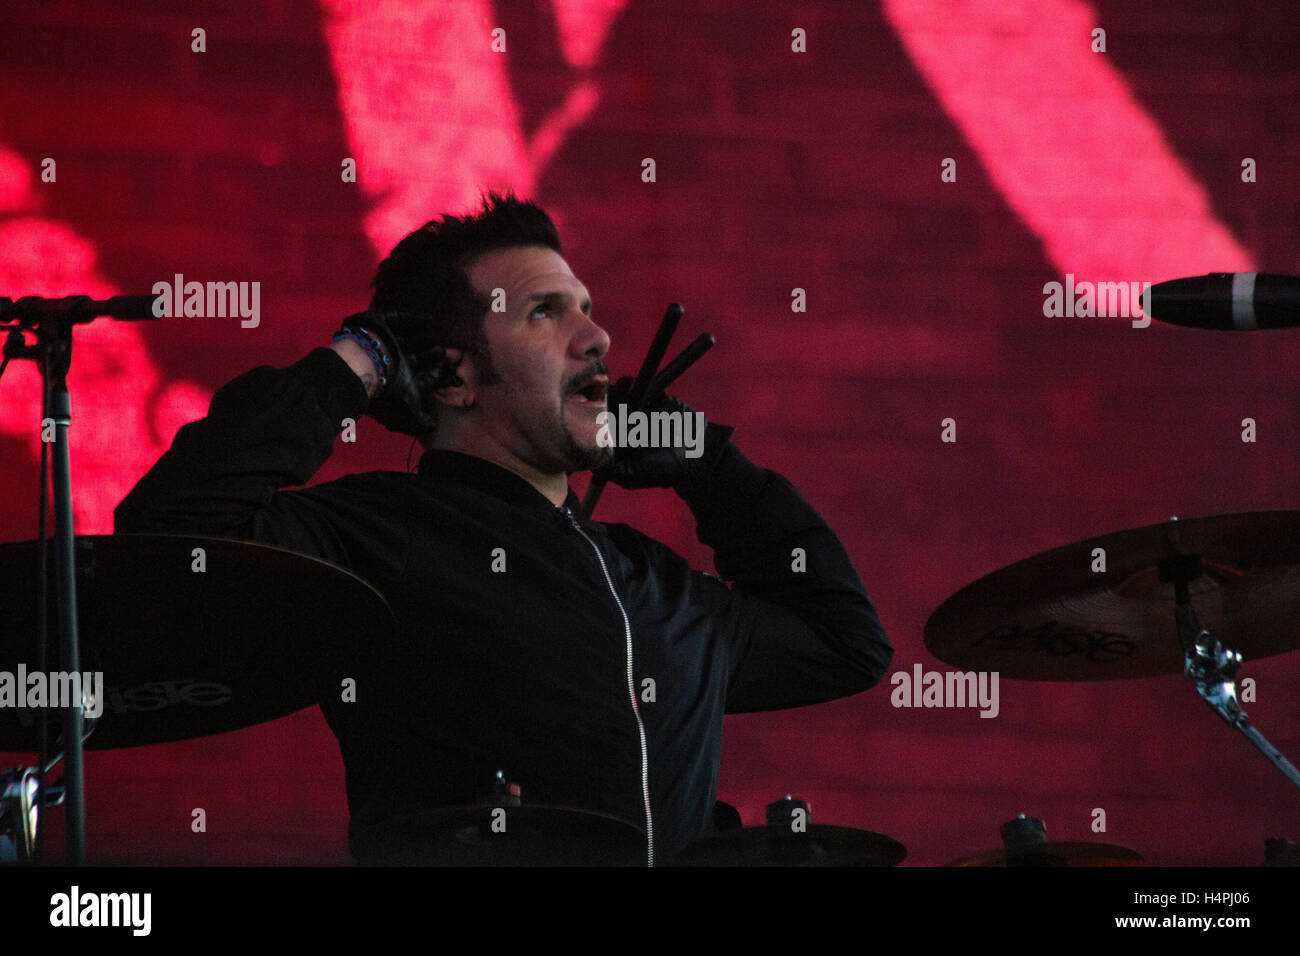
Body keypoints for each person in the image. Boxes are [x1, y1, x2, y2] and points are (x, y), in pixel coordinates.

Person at [113, 190, 893, 866]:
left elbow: (845, 644)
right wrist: (357, 363)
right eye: (544, 313)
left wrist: (705, 463)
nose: (596, 340)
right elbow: (169, 532)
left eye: (586, 308)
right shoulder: (377, 536)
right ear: (452, 377)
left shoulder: (649, 581)